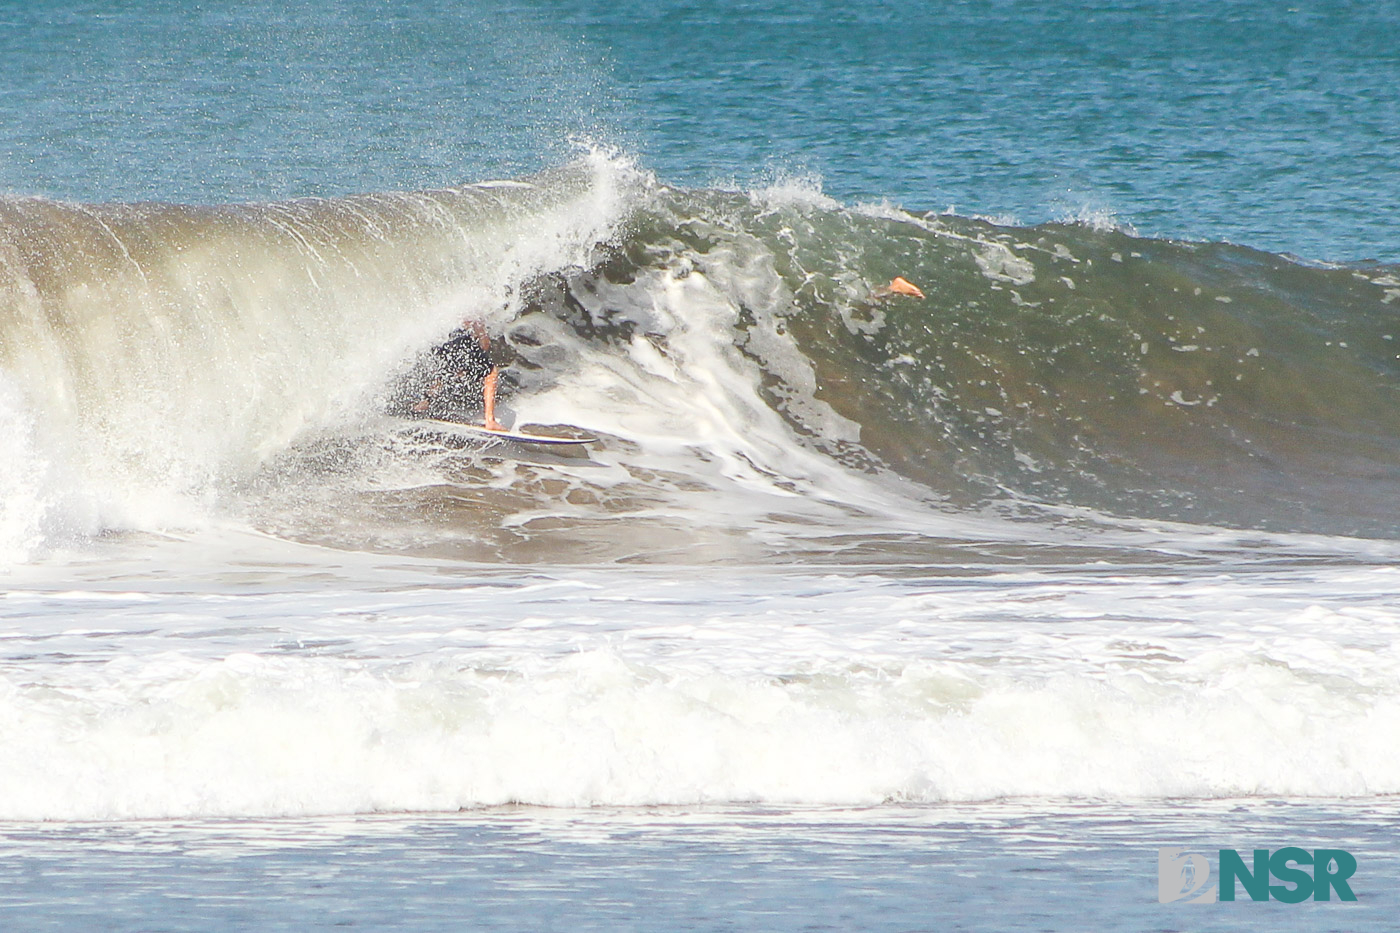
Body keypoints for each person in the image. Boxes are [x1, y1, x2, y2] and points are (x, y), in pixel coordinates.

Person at [410, 319, 504, 431]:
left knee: (447, 371)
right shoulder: (474, 304)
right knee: (491, 372)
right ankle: (490, 420)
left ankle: (423, 403)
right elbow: (485, 343)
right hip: (458, 340)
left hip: (439, 342)